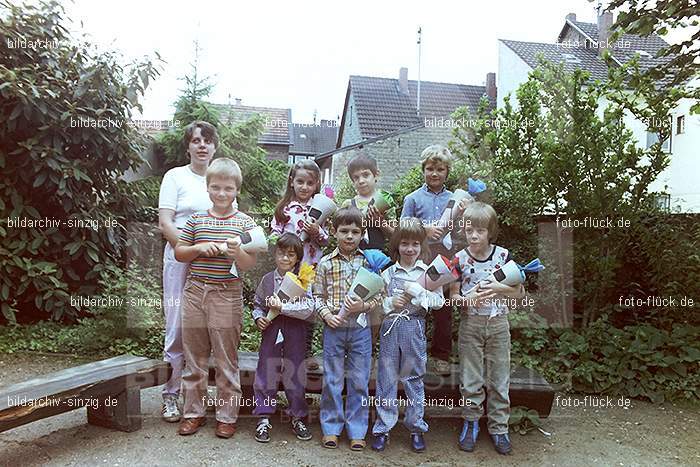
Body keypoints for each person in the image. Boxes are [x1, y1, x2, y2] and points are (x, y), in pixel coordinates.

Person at [174, 158, 258, 439]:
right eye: (216, 187)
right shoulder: (196, 219)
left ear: (237, 190)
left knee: (225, 358)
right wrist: (198, 247)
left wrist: (237, 254)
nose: (222, 193)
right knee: (194, 357)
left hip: (227, 293)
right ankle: (193, 413)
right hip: (195, 290)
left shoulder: (245, 222)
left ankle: (226, 416)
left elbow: (249, 264)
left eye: (228, 188)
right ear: (207, 187)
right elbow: (179, 253)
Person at [449, 202, 525, 455]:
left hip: (498, 324)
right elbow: (454, 297)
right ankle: (470, 423)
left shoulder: (503, 256)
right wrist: (466, 300)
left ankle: (499, 427)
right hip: (471, 324)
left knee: (499, 377)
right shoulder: (459, 258)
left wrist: (496, 288)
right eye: (469, 230)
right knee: (471, 378)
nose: (473, 235)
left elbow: (519, 293)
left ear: (490, 231)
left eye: (480, 231)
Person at [158, 120, 220, 422]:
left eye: (207, 141)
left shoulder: (218, 179)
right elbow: (166, 223)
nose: (202, 145)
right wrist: (190, 248)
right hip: (180, 259)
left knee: (204, 330)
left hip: (211, 263)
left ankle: (196, 394)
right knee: (177, 328)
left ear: (214, 147)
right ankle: (170, 396)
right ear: (188, 146)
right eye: (196, 140)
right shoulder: (175, 177)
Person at [371, 218, 444, 453]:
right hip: (391, 327)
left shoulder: (429, 272)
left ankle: (415, 427)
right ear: (396, 245)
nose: (410, 249)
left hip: (414, 328)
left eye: (415, 244)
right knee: (387, 378)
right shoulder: (388, 272)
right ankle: (383, 427)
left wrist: (419, 292)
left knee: (413, 378)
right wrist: (390, 302)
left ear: (422, 246)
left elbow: (439, 302)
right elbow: (377, 303)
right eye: (404, 243)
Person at [313, 208, 383, 451]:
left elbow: (380, 295)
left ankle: (357, 429)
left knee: (359, 381)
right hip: (334, 328)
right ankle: (331, 428)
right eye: (344, 231)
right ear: (334, 232)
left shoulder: (369, 262)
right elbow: (317, 296)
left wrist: (365, 305)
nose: (349, 236)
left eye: (355, 232)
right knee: (332, 379)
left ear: (362, 234)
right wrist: (326, 316)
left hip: (360, 330)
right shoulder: (325, 263)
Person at [400, 145, 467, 376]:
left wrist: (462, 215)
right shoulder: (413, 198)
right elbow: (403, 229)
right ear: (423, 170)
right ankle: (408, 353)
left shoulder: (456, 200)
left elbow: (463, 233)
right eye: (430, 169)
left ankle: (441, 355)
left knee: (444, 309)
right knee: (415, 304)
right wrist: (424, 230)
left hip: (447, 257)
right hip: (420, 255)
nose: (435, 173)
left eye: (440, 169)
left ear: (447, 171)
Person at [251, 233, 314, 443]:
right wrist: (259, 317)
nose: (285, 259)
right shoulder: (267, 280)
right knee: (266, 372)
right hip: (270, 333)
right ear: (274, 255)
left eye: (290, 255)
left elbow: (309, 308)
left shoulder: (303, 280)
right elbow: (258, 304)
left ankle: (298, 416)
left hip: (295, 333)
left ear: (297, 258)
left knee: (295, 374)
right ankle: (263, 416)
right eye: (281, 253)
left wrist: (283, 307)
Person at [271, 160, 329, 371]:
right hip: (289, 269)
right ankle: (282, 353)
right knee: (285, 308)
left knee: (308, 310)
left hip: (310, 269)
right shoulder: (285, 209)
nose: (305, 187)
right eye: (300, 182)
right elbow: (275, 236)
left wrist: (316, 232)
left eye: (310, 183)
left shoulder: (320, 207)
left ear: (317, 184)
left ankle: (305, 354)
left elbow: (326, 240)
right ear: (292, 182)